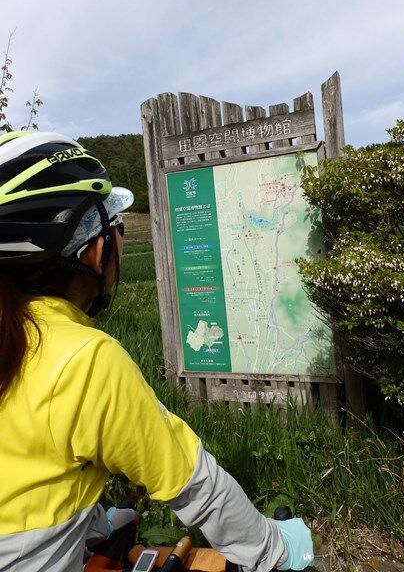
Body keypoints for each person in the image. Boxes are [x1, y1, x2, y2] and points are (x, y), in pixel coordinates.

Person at [0, 131, 313, 572]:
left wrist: (94, 525)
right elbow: (192, 481)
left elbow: (25, 466)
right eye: (116, 226)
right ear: (95, 251)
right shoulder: (83, 360)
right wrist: (274, 548)